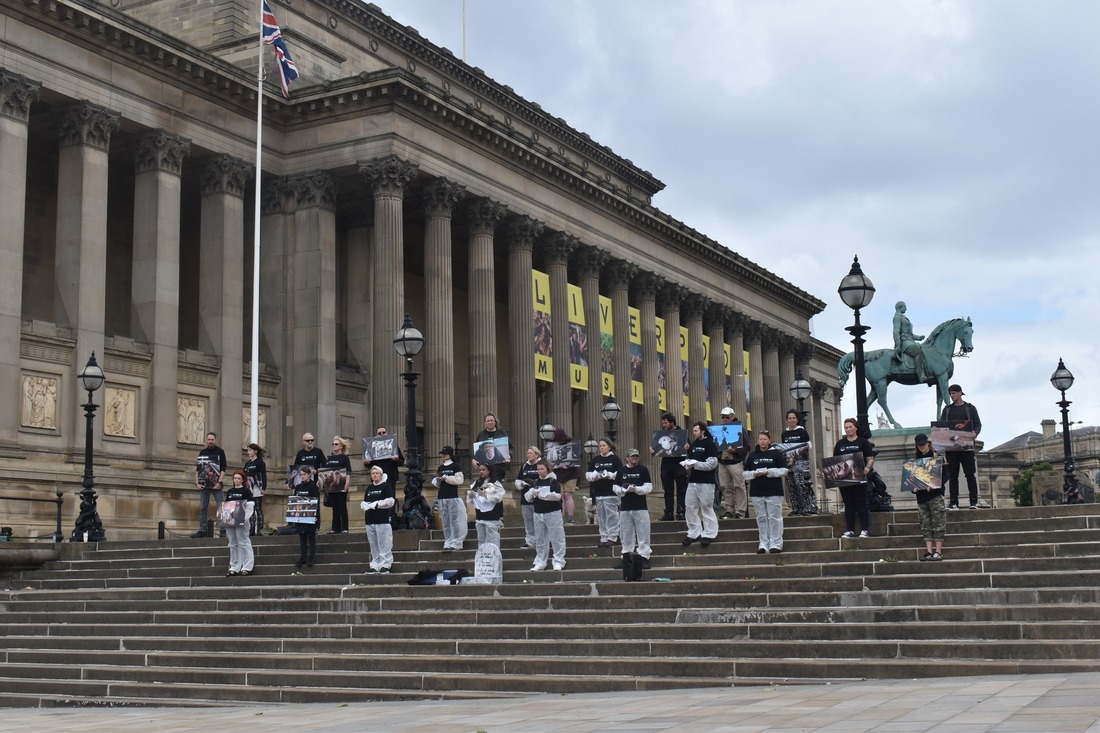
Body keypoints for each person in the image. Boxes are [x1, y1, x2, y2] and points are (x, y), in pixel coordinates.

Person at [940, 384, 983, 510]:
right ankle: (953, 502)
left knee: (970, 474)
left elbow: (978, 424)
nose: (952, 396)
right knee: (953, 475)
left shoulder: (970, 408)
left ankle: (974, 501)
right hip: (952, 448)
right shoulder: (947, 410)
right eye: (950, 394)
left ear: (960, 393)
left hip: (967, 446)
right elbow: (942, 426)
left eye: (954, 393)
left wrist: (975, 433)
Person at [745, 431, 788, 554]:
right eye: (760, 439)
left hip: (774, 491)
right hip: (757, 491)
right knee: (761, 518)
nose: (762, 441)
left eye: (764, 439)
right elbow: (745, 474)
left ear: (769, 440)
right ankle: (763, 543)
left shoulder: (776, 454)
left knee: (774, 517)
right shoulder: (752, 455)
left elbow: (784, 470)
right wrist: (754, 473)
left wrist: (769, 472)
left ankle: (776, 543)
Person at [833, 417, 875, 538]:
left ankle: (864, 530)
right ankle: (850, 530)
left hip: (859, 477)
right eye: (846, 427)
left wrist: (867, 468)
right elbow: (835, 461)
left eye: (850, 427)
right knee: (848, 504)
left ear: (855, 427)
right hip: (844, 478)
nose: (848, 429)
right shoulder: (840, 444)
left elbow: (870, 458)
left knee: (861, 503)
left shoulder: (863, 442)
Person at [680, 421, 719, 547]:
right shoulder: (694, 444)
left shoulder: (711, 444)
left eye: (696, 430)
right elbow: (690, 459)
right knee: (690, 506)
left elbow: (712, 464)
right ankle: (693, 532)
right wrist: (688, 465)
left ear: (702, 431)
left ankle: (709, 533)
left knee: (706, 507)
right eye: (693, 431)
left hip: (706, 481)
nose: (694, 433)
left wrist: (695, 464)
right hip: (693, 480)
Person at [524, 459, 567, 571]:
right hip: (538, 513)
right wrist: (532, 493)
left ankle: (558, 561)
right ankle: (540, 561)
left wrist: (544, 495)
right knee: (540, 539)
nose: (540, 471)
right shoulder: (535, 482)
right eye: (538, 469)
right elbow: (528, 498)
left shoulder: (553, 481)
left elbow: (557, 496)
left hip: (552, 512)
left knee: (557, 537)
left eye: (542, 469)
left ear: (547, 469)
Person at [614, 448, 653, 569]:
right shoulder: (621, 471)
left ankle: (644, 557)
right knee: (626, 533)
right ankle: (626, 557)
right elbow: (615, 487)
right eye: (632, 456)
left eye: (636, 456)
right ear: (627, 458)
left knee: (643, 533)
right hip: (625, 507)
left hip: (640, 507)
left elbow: (648, 487)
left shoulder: (643, 470)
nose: (635, 458)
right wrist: (623, 490)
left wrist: (636, 489)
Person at [913, 433, 945, 561]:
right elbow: (911, 479)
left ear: (928, 443)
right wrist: (913, 488)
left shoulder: (936, 456)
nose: (922, 447)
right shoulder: (915, 459)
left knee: (938, 522)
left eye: (923, 444)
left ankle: (938, 551)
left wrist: (934, 485)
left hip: (935, 495)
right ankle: (929, 551)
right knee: (925, 524)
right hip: (921, 497)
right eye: (919, 445)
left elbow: (945, 475)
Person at [585, 438, 623, 548]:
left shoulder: (615, 459)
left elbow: (620, 473)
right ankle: (604, 536)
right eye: (600, 446)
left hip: (610, 492)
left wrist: (610, 475)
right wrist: (594, 476)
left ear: (609, 447)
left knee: (612, 515)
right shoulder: (596, 460)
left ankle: (613, 536)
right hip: (599, 492)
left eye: (604, 445)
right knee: (601, 516)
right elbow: (588, 474)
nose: (602, 447)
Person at [651, 413, 687, 521]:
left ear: (672, 422)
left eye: (666, 422)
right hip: (666, 464)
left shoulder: (682, 434)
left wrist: (687, 447)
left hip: (679, 464)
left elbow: (687, 448)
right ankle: (669, 512)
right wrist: (653, 451)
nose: (664, 425)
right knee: (668, 490)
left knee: (681, 489)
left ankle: (681, 511)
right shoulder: (661, 434)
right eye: (663, 423)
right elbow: (657, 447)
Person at [782, 409, 817, 516]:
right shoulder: (784, 433)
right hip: (789, 463)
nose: (791, 420)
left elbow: (809, 445)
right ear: (787, 420)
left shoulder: (802, 431)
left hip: (801, 463)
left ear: (797, 420)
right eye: (789, 418)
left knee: (801, 484)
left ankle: (806, 508)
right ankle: (796, 508)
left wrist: (798, 449)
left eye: (794, 418)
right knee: (791, 485)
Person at [432, 445, 467, 552]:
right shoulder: (441, 468)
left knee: (455, 520)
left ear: (450, 454)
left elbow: (459, 480)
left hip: (452, 495)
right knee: (445, 521)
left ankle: (457, 542)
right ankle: (448, 540)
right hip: (442, 496)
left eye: (445, 454)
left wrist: (446, 478)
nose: (443, 455)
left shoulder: (455, 466)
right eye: (442, 454)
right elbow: (437, 483)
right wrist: (437, 480)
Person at [192, 432, 227, 539]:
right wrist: (197, 483)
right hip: (204, 484)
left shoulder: (220, 452)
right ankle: (202, 530)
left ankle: (223, 530)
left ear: (215, 440)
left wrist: (220, 482)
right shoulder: (202, 452)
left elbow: (223, 468)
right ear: (206, 440)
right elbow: (198, 469)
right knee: (203, 507)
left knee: (221, 506)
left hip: (216, 483)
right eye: (209, 439)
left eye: (212, 439)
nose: (210, 441)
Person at [361, 466, 396, 573]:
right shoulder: (369, 488)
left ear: (381, 475)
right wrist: (364, 505)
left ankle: (385, 564)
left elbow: (390, 501)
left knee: (384, 543)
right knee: (373, 544)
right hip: (370, 519)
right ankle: (375, 564)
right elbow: (366, 500)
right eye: (373, 473)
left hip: (382, 519)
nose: (375, 475)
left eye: (377, 473)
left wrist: (378, 504)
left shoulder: (386, 486)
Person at [716, 407, 748, 519]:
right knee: (725, 486)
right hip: (722, 461)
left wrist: (735, 451)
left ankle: (740, 511)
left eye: (727, 417)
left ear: (732, 417)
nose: (725, 419)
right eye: (723, 417)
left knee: (739, 486)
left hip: (735, 462)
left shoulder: (740, 429)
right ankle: (729, 510)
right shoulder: (719, 430)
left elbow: (747, 447)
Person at [223, 470, 255, 576]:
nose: (236, 480)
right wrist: (223, 519)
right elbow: (226, 506)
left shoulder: (246, 491)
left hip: (242, 520)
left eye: (238, 478)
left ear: (242, 480)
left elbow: (250, 506)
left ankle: (247, 566)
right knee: (233, 543)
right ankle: (234, 566)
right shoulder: (230, 491)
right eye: (235, 478)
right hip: (231, 520)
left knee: (244, 542)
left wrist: (245, 518)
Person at [468, 462, 505, 549]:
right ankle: (483, 560)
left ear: (489, 471)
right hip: (480, 516)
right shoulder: (476, 483)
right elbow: (471, 499)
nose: (481, 472)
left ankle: (494, 560)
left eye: (484, 470)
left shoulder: (495, 483)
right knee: (481, 541)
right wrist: (471, 495)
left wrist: (486, 495)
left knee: (493, 541)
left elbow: (499, 497)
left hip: (492, 516)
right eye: (480, 470)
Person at [549, 428, 579, 523]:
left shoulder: (572, 443)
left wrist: (569, 465)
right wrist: (553, 465)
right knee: (561, 495)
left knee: (568, 494)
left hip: (570, 473)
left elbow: (576, 457)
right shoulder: (553, 445)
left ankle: (571, 517)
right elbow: (551, 458)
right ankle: (561, 517)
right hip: (559, 473)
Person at [323, 436, 353, 534]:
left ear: (341, 446)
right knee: (335, 507)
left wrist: (347, 483)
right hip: (331, 486)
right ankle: (335, 528)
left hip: (341, 484)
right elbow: (325, 472)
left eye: (336, 444)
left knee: (342, 506)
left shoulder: (344, 457)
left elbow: (348, 471)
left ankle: (345, 528)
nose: (334, 446)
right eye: (333, 444)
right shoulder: (330, 458)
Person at [893, 301, 927, 382]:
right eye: (905, 306)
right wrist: (898, 345)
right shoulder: (897, 317)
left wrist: (919, 337)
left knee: (924, 350)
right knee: (917, 352)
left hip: (910, 340)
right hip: (905, 342)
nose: (906, 308)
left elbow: (910, 334)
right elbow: (896, 332)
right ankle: (921, 375)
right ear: (900, 307)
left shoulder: (903, 317)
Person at [513, 447, 541, 548]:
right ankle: (530, 541)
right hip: (525, 497)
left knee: (539, 521)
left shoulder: (540, 465)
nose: (528, 455)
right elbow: (518, 479)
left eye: (531, 453)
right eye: (528, 453)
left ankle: (541, 541)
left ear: (536, 454)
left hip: (538, 497)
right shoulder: (525, 466)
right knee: (528, 521)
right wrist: (521, 483)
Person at [292, 465, 320, 568]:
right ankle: (303, 557)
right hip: (300, 516)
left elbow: (316, 502)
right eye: (301, 475)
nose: (302, 476)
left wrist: (316, 517)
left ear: (309, 475)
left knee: (311, 537)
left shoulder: (313, 487)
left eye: (304, 474)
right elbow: (295, 501)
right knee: (302, 538)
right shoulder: (298, 487)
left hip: (310, 516)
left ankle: (311, 558)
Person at [363, 425, 404, 493]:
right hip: (377, 477)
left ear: (387, 433)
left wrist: (396, 460)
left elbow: (401, 462)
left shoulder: (394, 446)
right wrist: (366, 463)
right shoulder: (371, 448)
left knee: (390, 497)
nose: (382, 434)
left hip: (390, 477)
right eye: (379, 433)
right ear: (376, 435)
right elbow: (368, 465)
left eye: (383, 432)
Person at [244, 443, 267, 536]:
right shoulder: (247, 463)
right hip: (248, 488)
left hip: (257, 487)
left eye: (250, 450)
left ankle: (260, 528)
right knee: (251, 509)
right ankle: (252, 528)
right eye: (248, 450)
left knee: (258, 508)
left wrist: (264, 487)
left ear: (255, 451)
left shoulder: (260, 462)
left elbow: (263, 475)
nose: (249, 452)